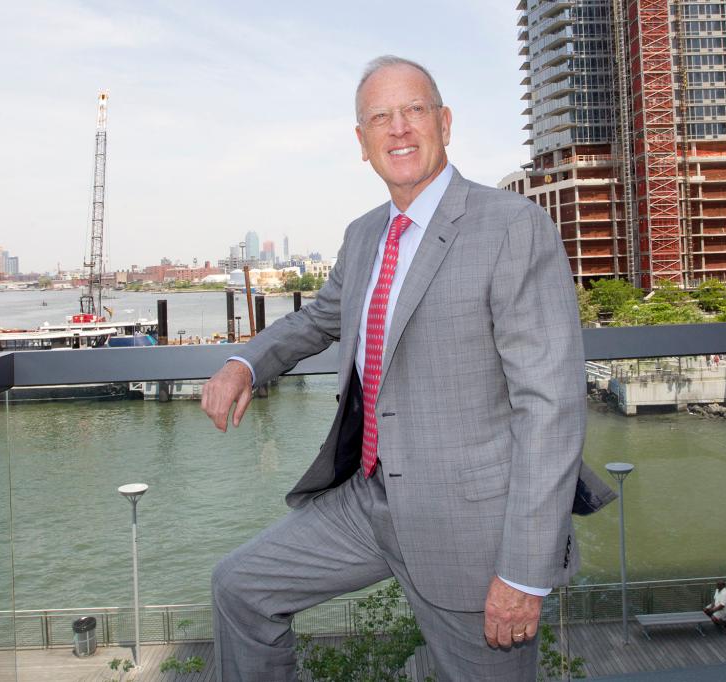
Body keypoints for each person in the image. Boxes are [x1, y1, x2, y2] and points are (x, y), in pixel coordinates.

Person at [201, 55, 586, 681]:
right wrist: (245, 362)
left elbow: (551, 407)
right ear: (362, 143)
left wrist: (523, 570)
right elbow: (316, 322)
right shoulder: (363, 237)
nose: (399, 129)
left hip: (473, 529)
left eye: (414, 110)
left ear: (445, 122)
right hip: (368, 501)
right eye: (380, 117)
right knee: (241, 587)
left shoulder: (512, 227)